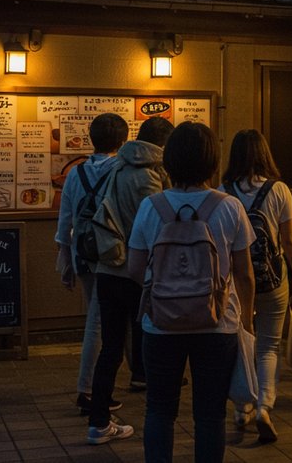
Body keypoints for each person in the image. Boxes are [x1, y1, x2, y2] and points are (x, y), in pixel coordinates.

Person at [128, 121, 256, 463]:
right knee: (210, 415)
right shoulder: (229, 207)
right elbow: (244, 274)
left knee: (158, 411)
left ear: (169, 160)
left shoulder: (151, 207)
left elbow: (134, 267)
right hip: (219, 325)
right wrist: (247, 319)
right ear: (213, 161)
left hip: (160, 324)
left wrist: (162, 291)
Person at [85, 116, 173, 445]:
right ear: (163, 146)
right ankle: (158, 418)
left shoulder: (119, 166)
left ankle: (98, 423)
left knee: (110, 348)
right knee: (152, 345)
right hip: (136, 270)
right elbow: (153, 225)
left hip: (109, 269)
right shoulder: (152, 175)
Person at [221, 129, 292, 443]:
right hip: (273, 277)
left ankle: (240, 408)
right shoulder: (280, 190)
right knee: (269, 346)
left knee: (241, 341)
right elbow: (290, 239)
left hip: (236, 280)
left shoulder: (223, 191)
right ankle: (264, 408)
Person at [55, 113, 127, 422]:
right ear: (123, 141)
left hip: (82, 253)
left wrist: (63, 254)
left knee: (96, 317)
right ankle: (88, 390)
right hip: (112, 254)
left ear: (91, 138)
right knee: (99, 323)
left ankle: (95, 387)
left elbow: (66, 217)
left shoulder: (76, 172)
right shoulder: (122, 171)